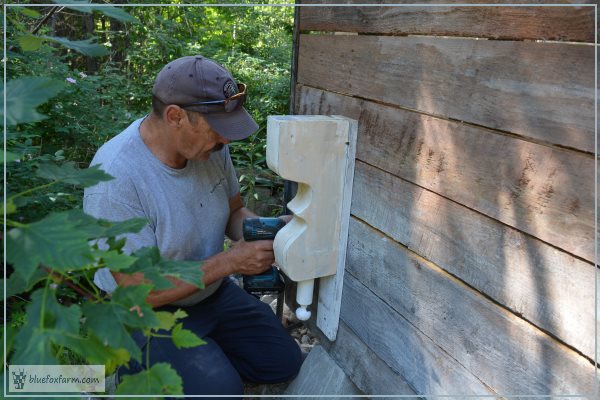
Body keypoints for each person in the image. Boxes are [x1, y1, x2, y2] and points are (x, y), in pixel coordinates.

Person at [83, 55, 302, 396]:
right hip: (144, 312)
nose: (225, 141)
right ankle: (122, 373)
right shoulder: (115, 176)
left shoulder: (212, 150)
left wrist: (275, 229)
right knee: (221, 391)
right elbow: (139, 290)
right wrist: (230, 262)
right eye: (218, 130)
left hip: (209, 293)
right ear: (175, 117)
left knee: (283, 362)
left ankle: (198, 356)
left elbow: (234, 213)